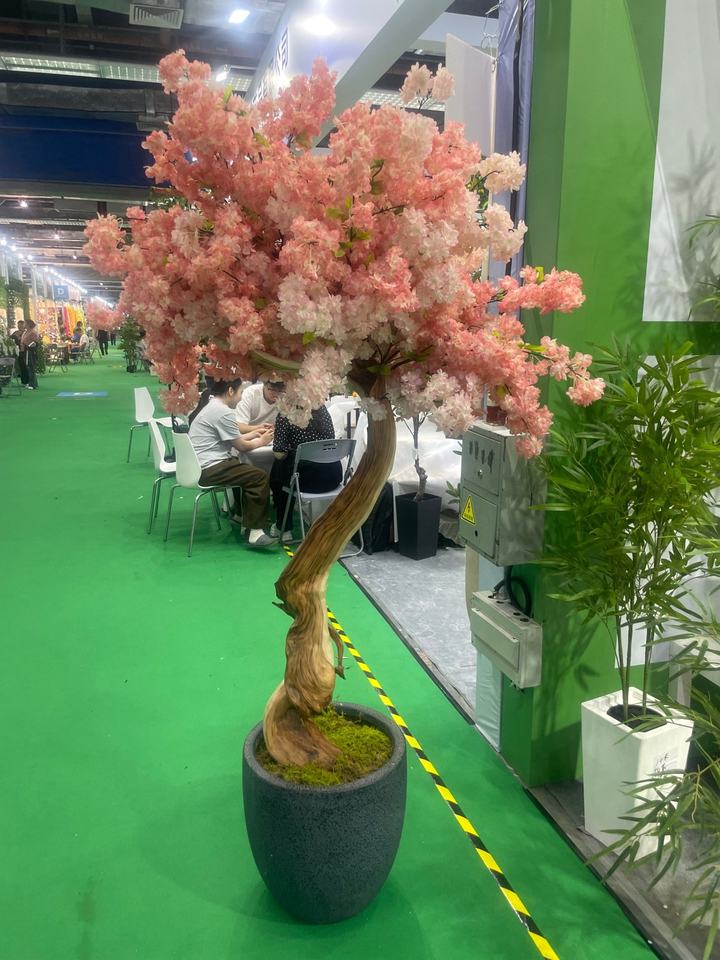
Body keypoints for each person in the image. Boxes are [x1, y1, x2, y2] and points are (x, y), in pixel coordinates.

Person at [188, 378, 278, 547]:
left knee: (241, 467)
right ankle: (255, 532)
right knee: (258, 476)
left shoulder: (213, 406)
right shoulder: (223, 412)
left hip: (199, 465)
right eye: (240, 392)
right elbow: (242, 446)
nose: (241, 397)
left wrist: (254, 433)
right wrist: (262, 441)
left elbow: (232, 438)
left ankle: (241, 517)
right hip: (208, 468)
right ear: (230, 391)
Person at [269, 404, 342, 542]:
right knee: (284, 471)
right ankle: (283, 525)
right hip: (333, 477)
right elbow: (330, 439)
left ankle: (283, 527)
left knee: (278, 471)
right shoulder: (322, 409)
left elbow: (279, 453)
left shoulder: (285, 413)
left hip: (305, 481)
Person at [20, 319, 39, 389]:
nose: (23, 325)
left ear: (28, 324)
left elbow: (35, 343)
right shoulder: (25, 332)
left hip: (30, 351)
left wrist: (28, 345)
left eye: (24, 323)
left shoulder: (33, 333)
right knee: (27, 367)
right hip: (24, 351)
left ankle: (32, 384)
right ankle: (29, 382)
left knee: (31, 367)